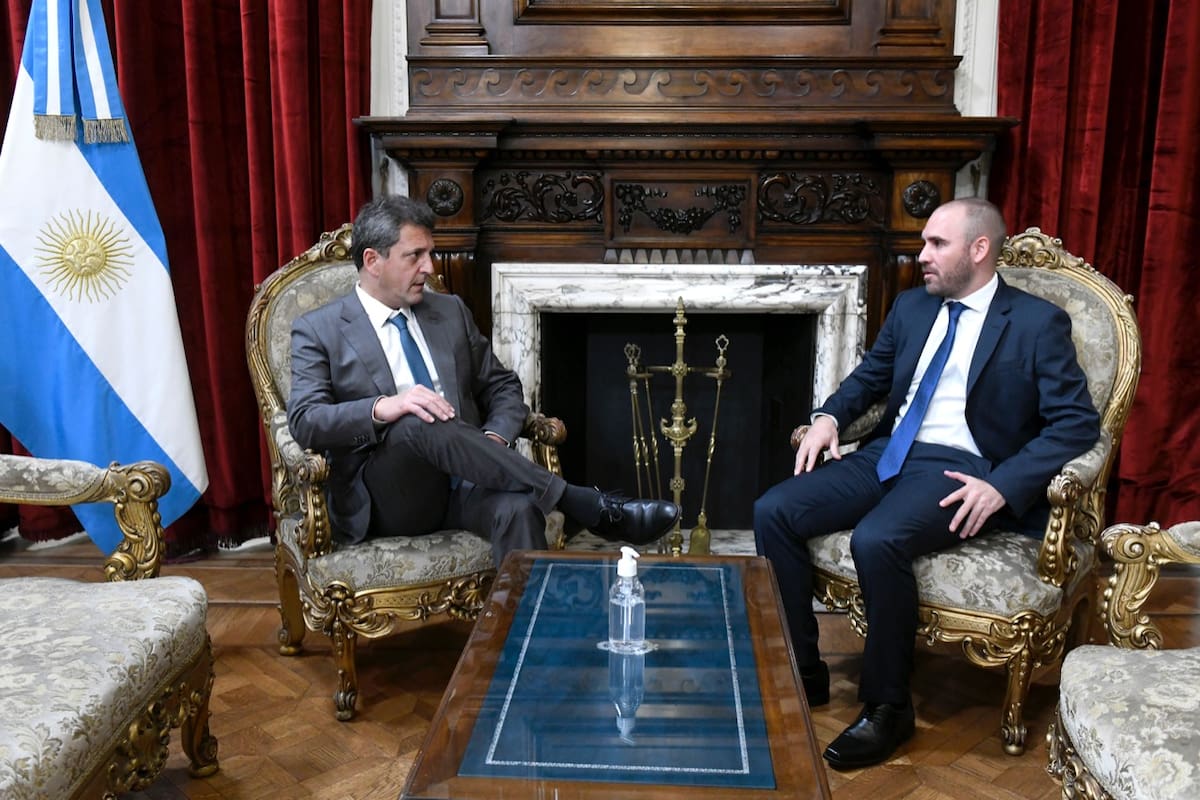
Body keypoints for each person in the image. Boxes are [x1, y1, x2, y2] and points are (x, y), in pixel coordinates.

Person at [754, 198, 1099, 770]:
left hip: (960, 467)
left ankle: (889, 706)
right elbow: (869, 379)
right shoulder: (914, 308)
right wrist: (828, 418)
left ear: (979, 249)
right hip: (890, 453)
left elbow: (1076, 423)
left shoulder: (1037, 323)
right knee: (774, 509)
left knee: (876, 539)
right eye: (924, 243)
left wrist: (1003, 484)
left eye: (938, 244)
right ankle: (804, 670)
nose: (922, 256)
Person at [287, 195, 680, 564]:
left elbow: (503, 386)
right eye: (415, 256)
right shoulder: (320, 329)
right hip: (390, 499)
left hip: (468, 482)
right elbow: (305, 420)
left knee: (519, 509)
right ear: (373, 261)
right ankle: (581, 502)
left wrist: (490, 443)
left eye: (431, 253)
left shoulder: (448, 311)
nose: (430, 267)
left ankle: (528, 632)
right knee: (413, 416)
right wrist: (385, 407)